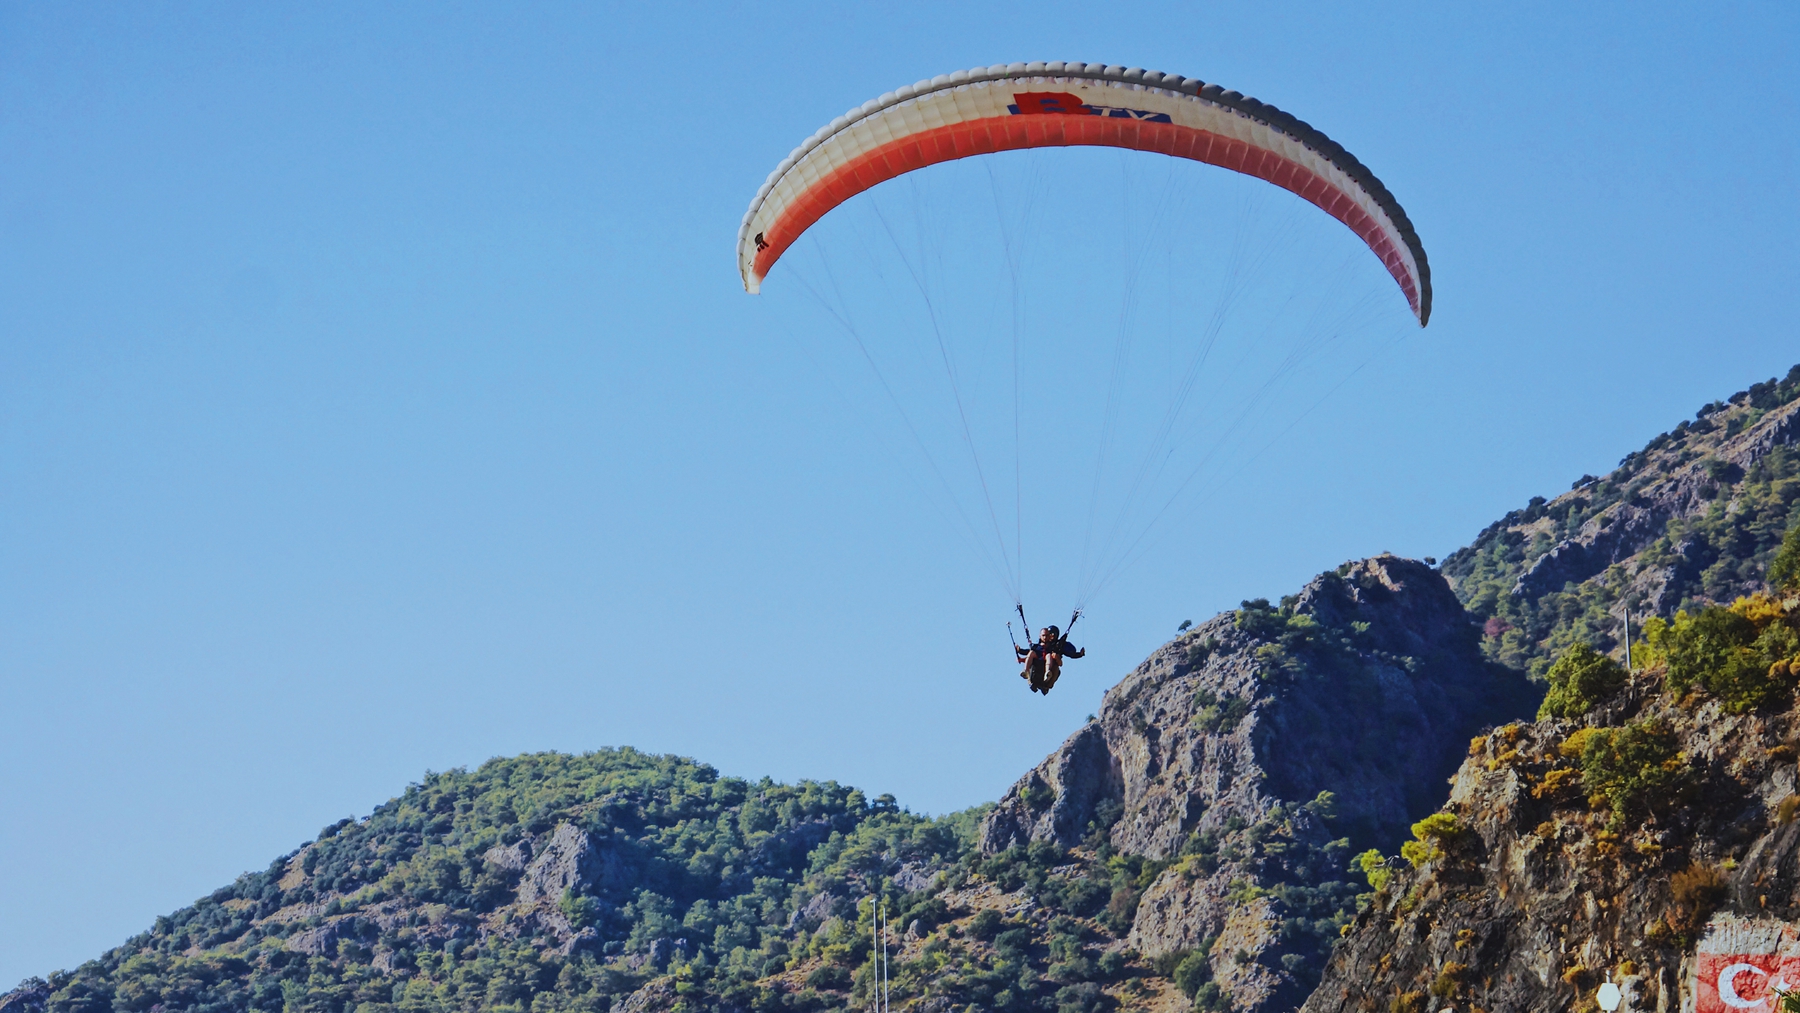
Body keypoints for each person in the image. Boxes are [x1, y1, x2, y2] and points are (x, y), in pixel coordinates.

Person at [1016, 624, 1084, 695]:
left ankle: (1046, 682)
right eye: (1049, 635)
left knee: (1051, 660)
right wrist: (1020, 653)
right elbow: (1031, 654)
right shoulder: (1039, 646)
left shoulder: (1056, 647)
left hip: (1050, 669)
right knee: (1033, 655)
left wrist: (1079, 654)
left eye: (1051, 635)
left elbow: (1068, 656)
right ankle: (1028, 675)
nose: (1050, 637)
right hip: (1037, 668)